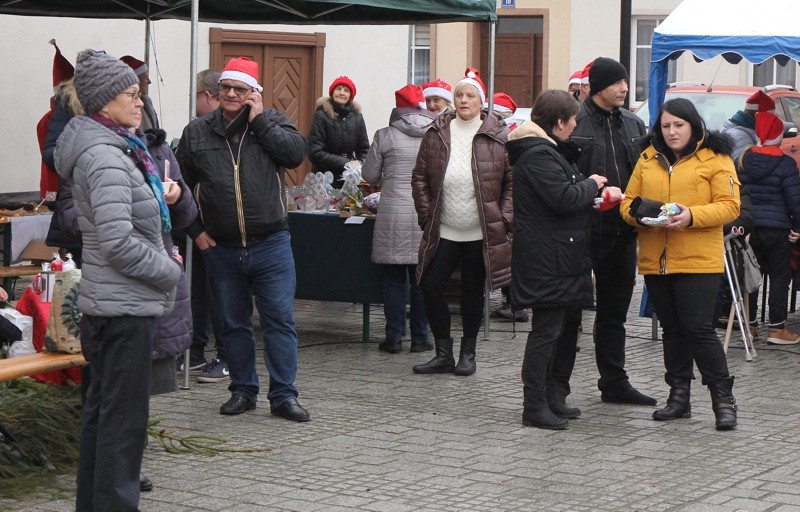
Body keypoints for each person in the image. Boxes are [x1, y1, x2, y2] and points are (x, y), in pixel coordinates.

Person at [55, 49, 181, 510]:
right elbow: (116, 242)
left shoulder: (114, 147)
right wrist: (169, 271)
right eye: (131, 94)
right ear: (104, 102)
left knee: (104, 416)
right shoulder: (106, 157)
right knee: (123, 424)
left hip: (112, 304)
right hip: (124, 307)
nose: (140, 103)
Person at [176, 56, 310, 421]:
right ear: (217, 93)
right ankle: (243, 390)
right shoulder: (197, 132)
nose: (232, 94)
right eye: (226, 88)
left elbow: (296, 155)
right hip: (221, 247)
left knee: (279, 321)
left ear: (254, 93)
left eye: (240, 88)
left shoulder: (273, 122)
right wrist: (195, 231)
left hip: (271, 243)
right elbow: (179, 189)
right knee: (232, 324)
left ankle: (283, 396)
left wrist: (260, 120)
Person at [620, 97, 740, 431]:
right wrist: (641, 217)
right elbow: (629, 202)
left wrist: (690, 216)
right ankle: (679, 397)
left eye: (678, 125)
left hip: (699, 259)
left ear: (693, 125)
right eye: (666, 125)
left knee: (699, 330)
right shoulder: (648, 158)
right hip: (657, 259)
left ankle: (723, 400)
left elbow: (730, 206)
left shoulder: (715, 157)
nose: (672, 132)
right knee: (672, 330)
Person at [509, 89, 620, 429]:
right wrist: (592, 184)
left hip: (560, 255)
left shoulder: (548, 150)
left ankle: (552, 396)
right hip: (547, 258)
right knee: (546, 331)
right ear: (558, 122)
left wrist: (593, 199)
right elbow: (561, 197)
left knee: (563, 328)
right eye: (572, 120)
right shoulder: (538, 154)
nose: (575, 125)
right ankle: (534, 404)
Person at [411, 67, 513, 377]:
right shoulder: (436, 132)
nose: (463, 100)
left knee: (472, 291)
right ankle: (443, 352)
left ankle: (468, 354)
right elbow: (419, 177)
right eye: (459, 95)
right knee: (429, 285)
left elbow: (512, 181)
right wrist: (428, 214)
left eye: (470, 95)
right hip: (444, 227)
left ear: (481, 102)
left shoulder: (498, 135)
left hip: (480, 230)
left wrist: (504, 217)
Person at [570, 57, 653, 406]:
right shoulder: (575, 122)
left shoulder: (634, 123)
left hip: (622, 233)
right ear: (599, 85)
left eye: (625, 81)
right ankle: (556, 387)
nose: (624, 88)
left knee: (614, 313)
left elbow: (645, 173)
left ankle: (614, 382)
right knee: (568, 313)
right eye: (618, 82)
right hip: (581, 232)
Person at [362, 84, 435, 354]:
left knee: (393, 279)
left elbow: (369, 175)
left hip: (392, 213)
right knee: (420, 280)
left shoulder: (385, 135)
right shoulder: (435, 135)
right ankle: (420, 338)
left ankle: (393, 338)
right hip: (423, 214)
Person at [178, 68, 229, 383]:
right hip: (199, 227)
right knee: (197, 291)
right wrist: (194, 229)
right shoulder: (195, 130)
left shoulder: (240, 129)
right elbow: (184, 181)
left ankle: (226, 356)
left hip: (226, 229)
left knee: (223, 295)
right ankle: (194, 351)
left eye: (196, 94)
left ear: (207, 96)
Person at [741, 112, 800, 344]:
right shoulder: (786, 163)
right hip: (778, 230)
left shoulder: (743, 160)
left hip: (749, 229)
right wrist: (797, 227)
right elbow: (795, 200)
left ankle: (751, 325)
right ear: (779, 137)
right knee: (779, 277)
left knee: (750, 275)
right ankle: (777, 329)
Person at [307, 75, 369, 189]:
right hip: (323, 180)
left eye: (346, 90)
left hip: (350, 181)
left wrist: (358, 165)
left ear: (350, 96)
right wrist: (346, 163)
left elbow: (364, 149)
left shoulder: (357, 117)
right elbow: (314, 152)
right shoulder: (321, 116)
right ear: (332, 92)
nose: (342, 93)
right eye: (338, 89)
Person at [722, 90, 776, 161]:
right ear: (757, 115)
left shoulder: (745, 132)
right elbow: (742, 168)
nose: (770, 122)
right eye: (769, 117)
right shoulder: (739, 137)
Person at [120, 55, 159, 131]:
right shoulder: (126, 109)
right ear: (136, 81)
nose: (149, 82)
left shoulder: (145, 105)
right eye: (145, 77)